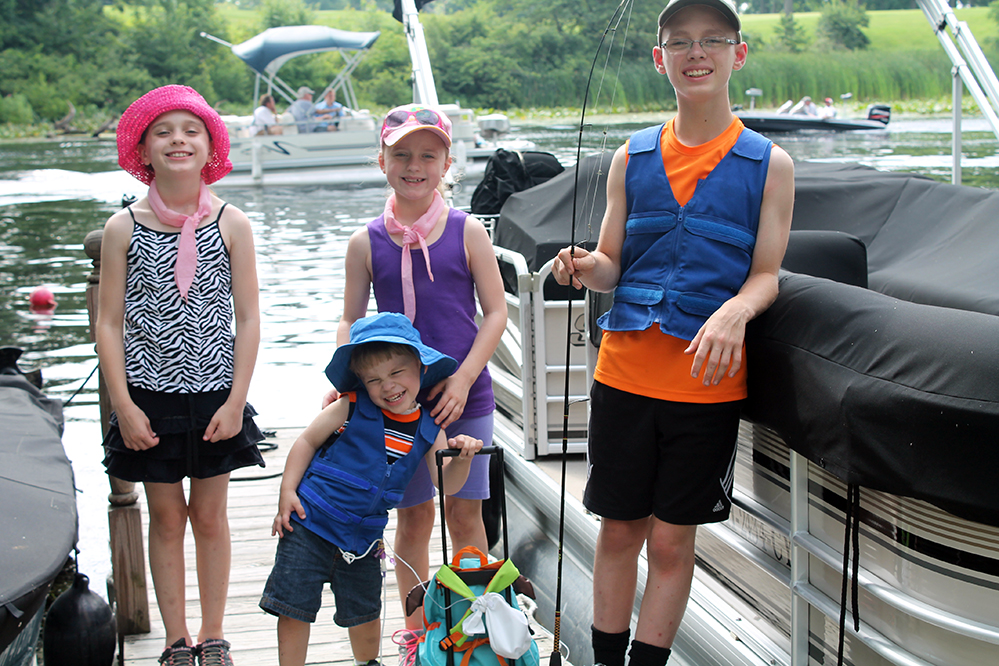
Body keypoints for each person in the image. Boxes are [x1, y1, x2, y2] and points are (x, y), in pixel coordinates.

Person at [550, 1, 794, 665]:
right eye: (679, 42)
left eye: (711, 40)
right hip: (623, 377)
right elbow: (608, 268)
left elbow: (766, 275)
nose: (696, 53)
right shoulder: (630, 157)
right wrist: (580, 265)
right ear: (659, 60)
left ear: (736, 54)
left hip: (706, 391)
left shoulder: (768, 164)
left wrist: (734, 310)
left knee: (669, 541)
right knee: (619, 530)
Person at [325, 103, 507, 665]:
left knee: (465, 510)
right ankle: (416, 633)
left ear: (447, 162)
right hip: (394, 404)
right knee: (413, 516)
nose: (414, 165)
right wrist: (344, 380)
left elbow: (496, 313)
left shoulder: (466, 230)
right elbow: (350, 320)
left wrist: (464, 380)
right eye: (401, 154)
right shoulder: (366, 241)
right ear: (382, 161)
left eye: (428, 155)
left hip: (463, 397)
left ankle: (478, 627)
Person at [98, 84, 264, 666]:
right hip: (148, 398)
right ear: (143, 147)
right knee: (166, 518)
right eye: (164, 131)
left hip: (216, 394)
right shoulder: (123, 227)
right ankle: (175, 638)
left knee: (210, 517)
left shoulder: (231, 222)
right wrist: (122, 404)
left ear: (209, 144)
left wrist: (236, 400)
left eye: (191, 130)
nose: (178, 140)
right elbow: (110, 323)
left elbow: (247, 318)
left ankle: (214, 635)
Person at [260, 312, 483, 666]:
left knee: (364, 612)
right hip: (309, 524)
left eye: (397, 373)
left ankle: (368, 662)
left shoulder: (429, 428)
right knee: (294, 607)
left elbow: (445, 483)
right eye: (374, 380)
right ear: (362, 383)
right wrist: (287, 492)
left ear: (421, 369)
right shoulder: (348, 406)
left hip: (362, 540)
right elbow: (305, 441)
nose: (388, 386)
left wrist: (465, 459)